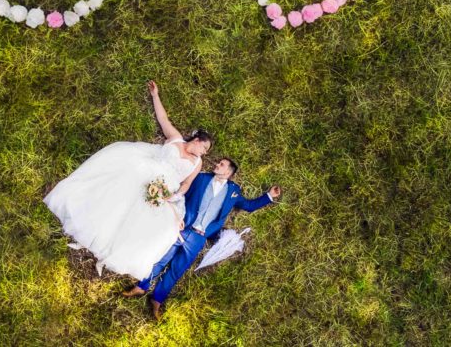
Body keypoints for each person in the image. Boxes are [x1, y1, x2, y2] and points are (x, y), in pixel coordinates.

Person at [43, 80, 212, 279]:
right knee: (122, 192)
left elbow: (186, 185)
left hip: (165, 188)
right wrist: (155, 95)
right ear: (197, 140)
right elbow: (163, 119)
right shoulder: (175, 139)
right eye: (205, 148)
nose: (204, 153)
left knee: (149, 220)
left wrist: (170, 196)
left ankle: (113, 248)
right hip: (147, 169)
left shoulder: (196, 163)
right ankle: (95, 225)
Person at [123, 158, 282, 320]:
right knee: (161, 258)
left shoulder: (234, 191)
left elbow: (248, 206)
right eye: (218, 163)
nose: (216, 165)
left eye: (221, 165)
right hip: (183, 228)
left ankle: (157, 299)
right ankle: (141, 286)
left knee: (176, 270)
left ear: (228, 172)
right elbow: (182, 194)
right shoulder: (201, 178)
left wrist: (269, 195)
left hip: (199, 238)